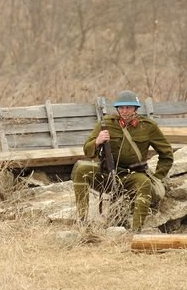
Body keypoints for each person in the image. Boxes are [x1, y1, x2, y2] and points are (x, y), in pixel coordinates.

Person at [72, 90, 173, 232]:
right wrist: (97, 141)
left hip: (132, 175)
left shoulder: (148, 127)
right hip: (107, 173)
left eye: (128, 107)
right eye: (121, 107)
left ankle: (136, 231)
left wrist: (158, 176)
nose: (124, 111)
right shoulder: (106, 123)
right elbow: (87, 151)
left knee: (144, 183)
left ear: (135, 108)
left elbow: (167, 154)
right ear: (117, 109)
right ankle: (82, 222)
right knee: (81, 170)